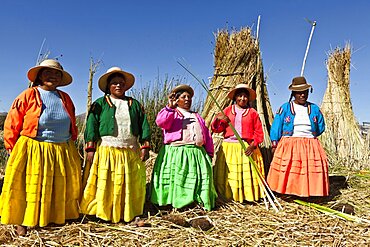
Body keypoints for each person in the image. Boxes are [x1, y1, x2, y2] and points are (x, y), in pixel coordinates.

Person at [0, 59, 81, 235]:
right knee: (29, 185)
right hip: (33, 147)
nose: (53, 76)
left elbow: (71, 120)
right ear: (39, 76)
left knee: (56, 186)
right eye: (48, 72)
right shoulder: (29, 95)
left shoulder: (65, 98)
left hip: (61, 148)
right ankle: (22, 219)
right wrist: (11, 146)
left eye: (57, 73)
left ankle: (52, 217)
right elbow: (12, 121)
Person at [80, 67, 150, 223]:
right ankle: (104, 212)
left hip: (129, 150)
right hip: (107, 150)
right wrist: (90, 148)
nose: (118, 86)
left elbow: (144, 125)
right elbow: (91, 125)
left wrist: (145, 146)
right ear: (108, 87)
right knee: (108, 182)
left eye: (121, 83)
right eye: (114, 83)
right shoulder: (100, 104)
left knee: (127, 183)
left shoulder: (134, 104)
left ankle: (126, 211)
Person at [150, 84, 217, 210]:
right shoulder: (171, 113)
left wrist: (209, 152)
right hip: (177, 152)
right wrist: (169, 107)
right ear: (177, 99)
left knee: (196, 180)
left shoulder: (196, 116)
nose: (187, 99)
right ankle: (175, 204)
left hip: (196, 153)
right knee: (179, 178)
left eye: (189, 97)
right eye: (183, 96)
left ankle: (196, 203)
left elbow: (206, 134)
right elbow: (161, 122)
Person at [267, 76, 329, 197]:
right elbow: (276, 126)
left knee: (308, 169)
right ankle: (290, 192)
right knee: (291, 169)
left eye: (305, 92)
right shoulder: (285, 108)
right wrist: (275, 143)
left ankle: (309, 192)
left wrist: (311, 137)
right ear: (294, 93)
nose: (302, 95)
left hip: (310, 144)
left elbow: (321, 126)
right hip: (290, 143)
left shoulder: (314, 109)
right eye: (299, 93)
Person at [211, 84, 265, 202]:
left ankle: (247, 196)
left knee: (245, 174)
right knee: (230, 174)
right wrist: (218, 119)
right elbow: (217, 129)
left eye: (245, 96)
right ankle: (228, 196)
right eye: (240, 96)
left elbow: (259, 132)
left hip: (245, 147)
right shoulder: (228, 111)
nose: (242, 99)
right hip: (229, 147)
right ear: (235, 97)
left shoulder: (252, 113)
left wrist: (253, 145)